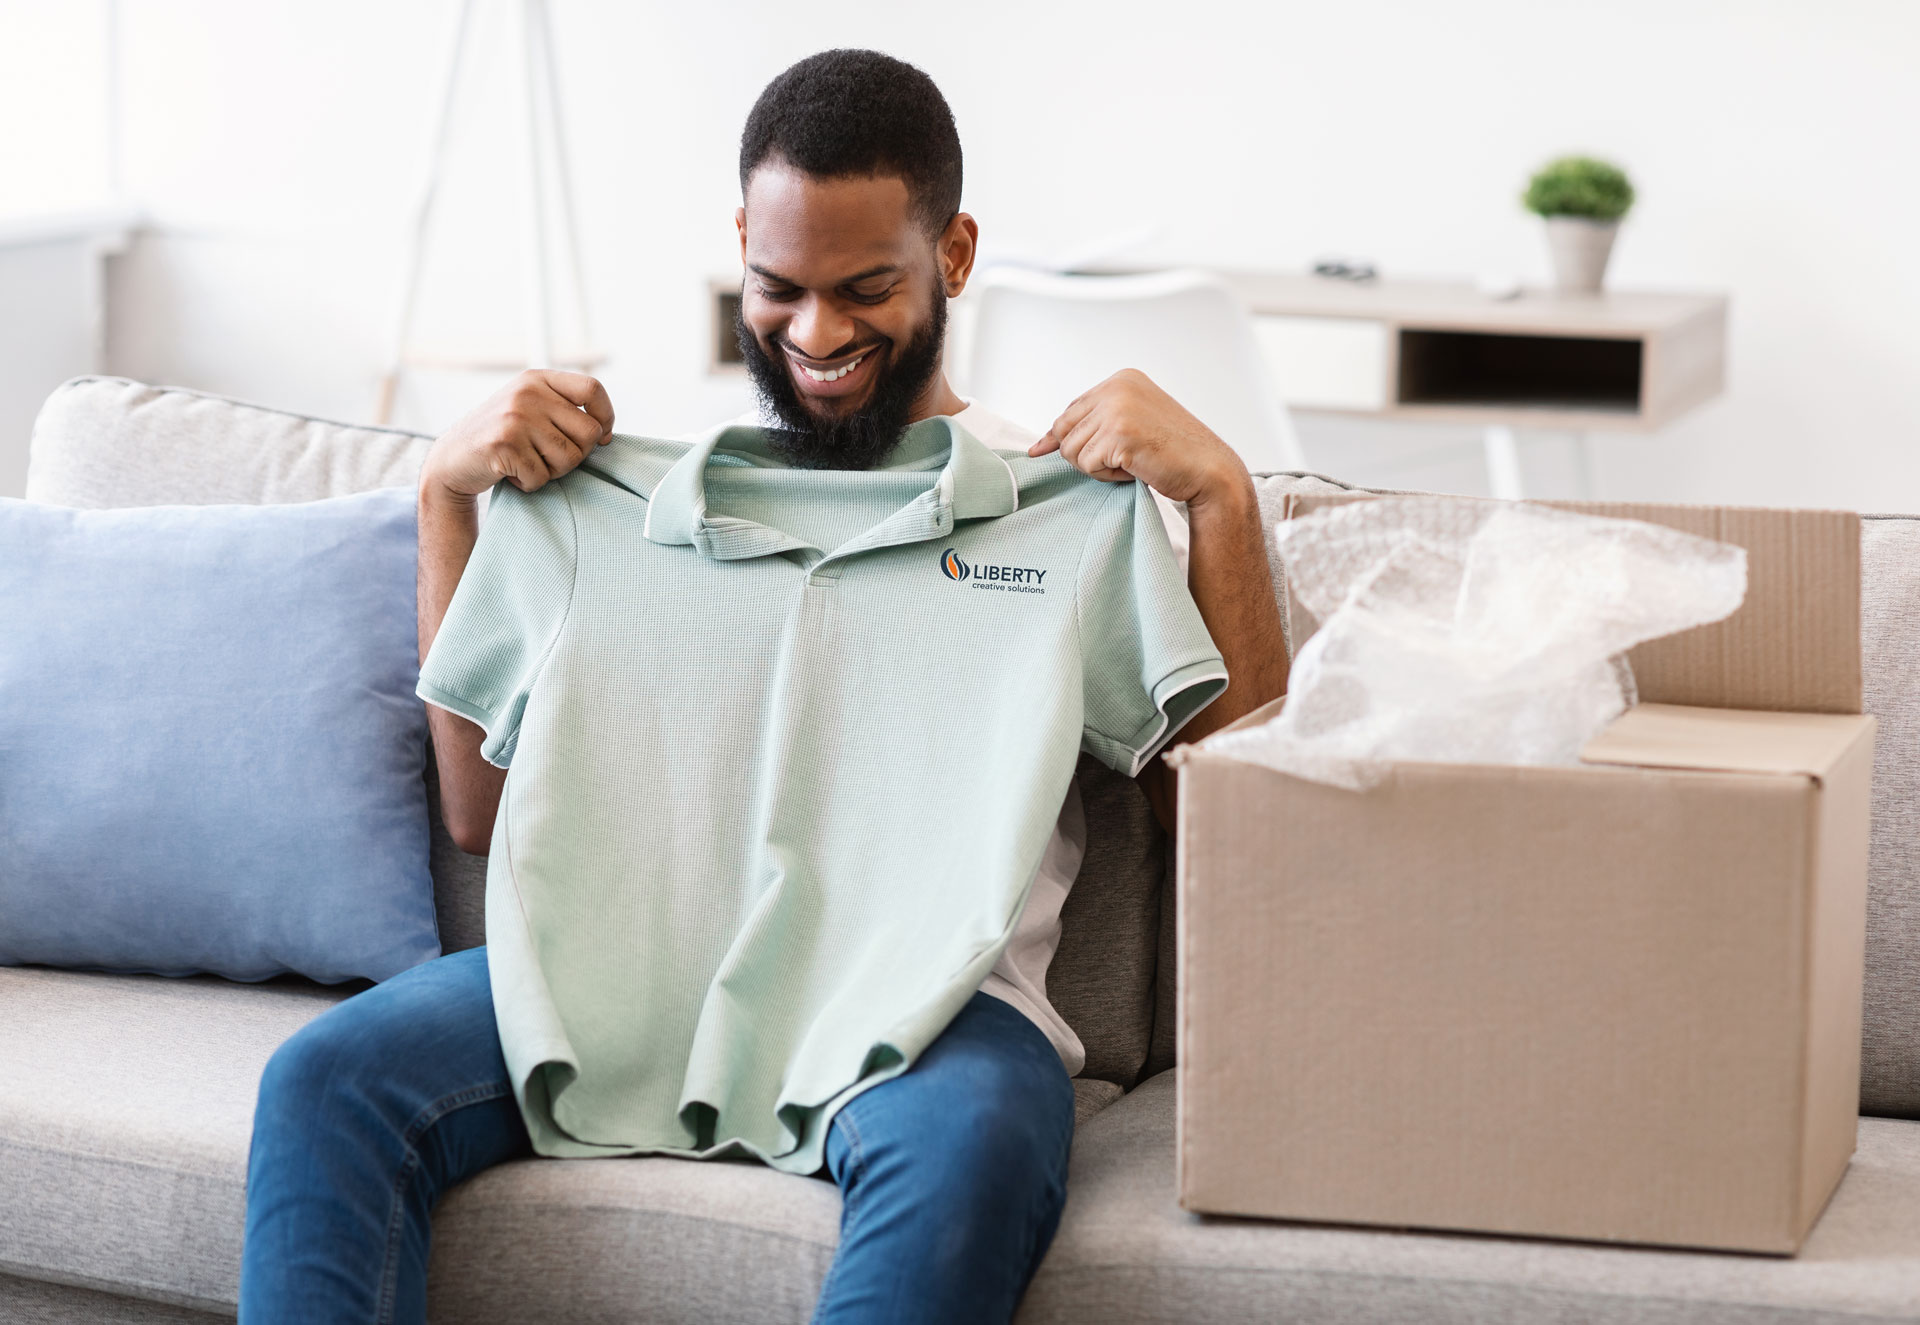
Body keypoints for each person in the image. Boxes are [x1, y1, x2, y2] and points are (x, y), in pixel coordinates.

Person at [239, 48, 1286, 1325]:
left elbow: (1247, 848)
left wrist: (1223, 498)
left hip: (933, 1010)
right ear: (740, 241)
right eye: (778, 287)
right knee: (321, 1084)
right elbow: (478, 814)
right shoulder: (617, 487)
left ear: (953, 256)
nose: (817, 333)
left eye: (866, 289)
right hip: (612, 970)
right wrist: (445, 496)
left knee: (973, 1154)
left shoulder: (1056, 505)